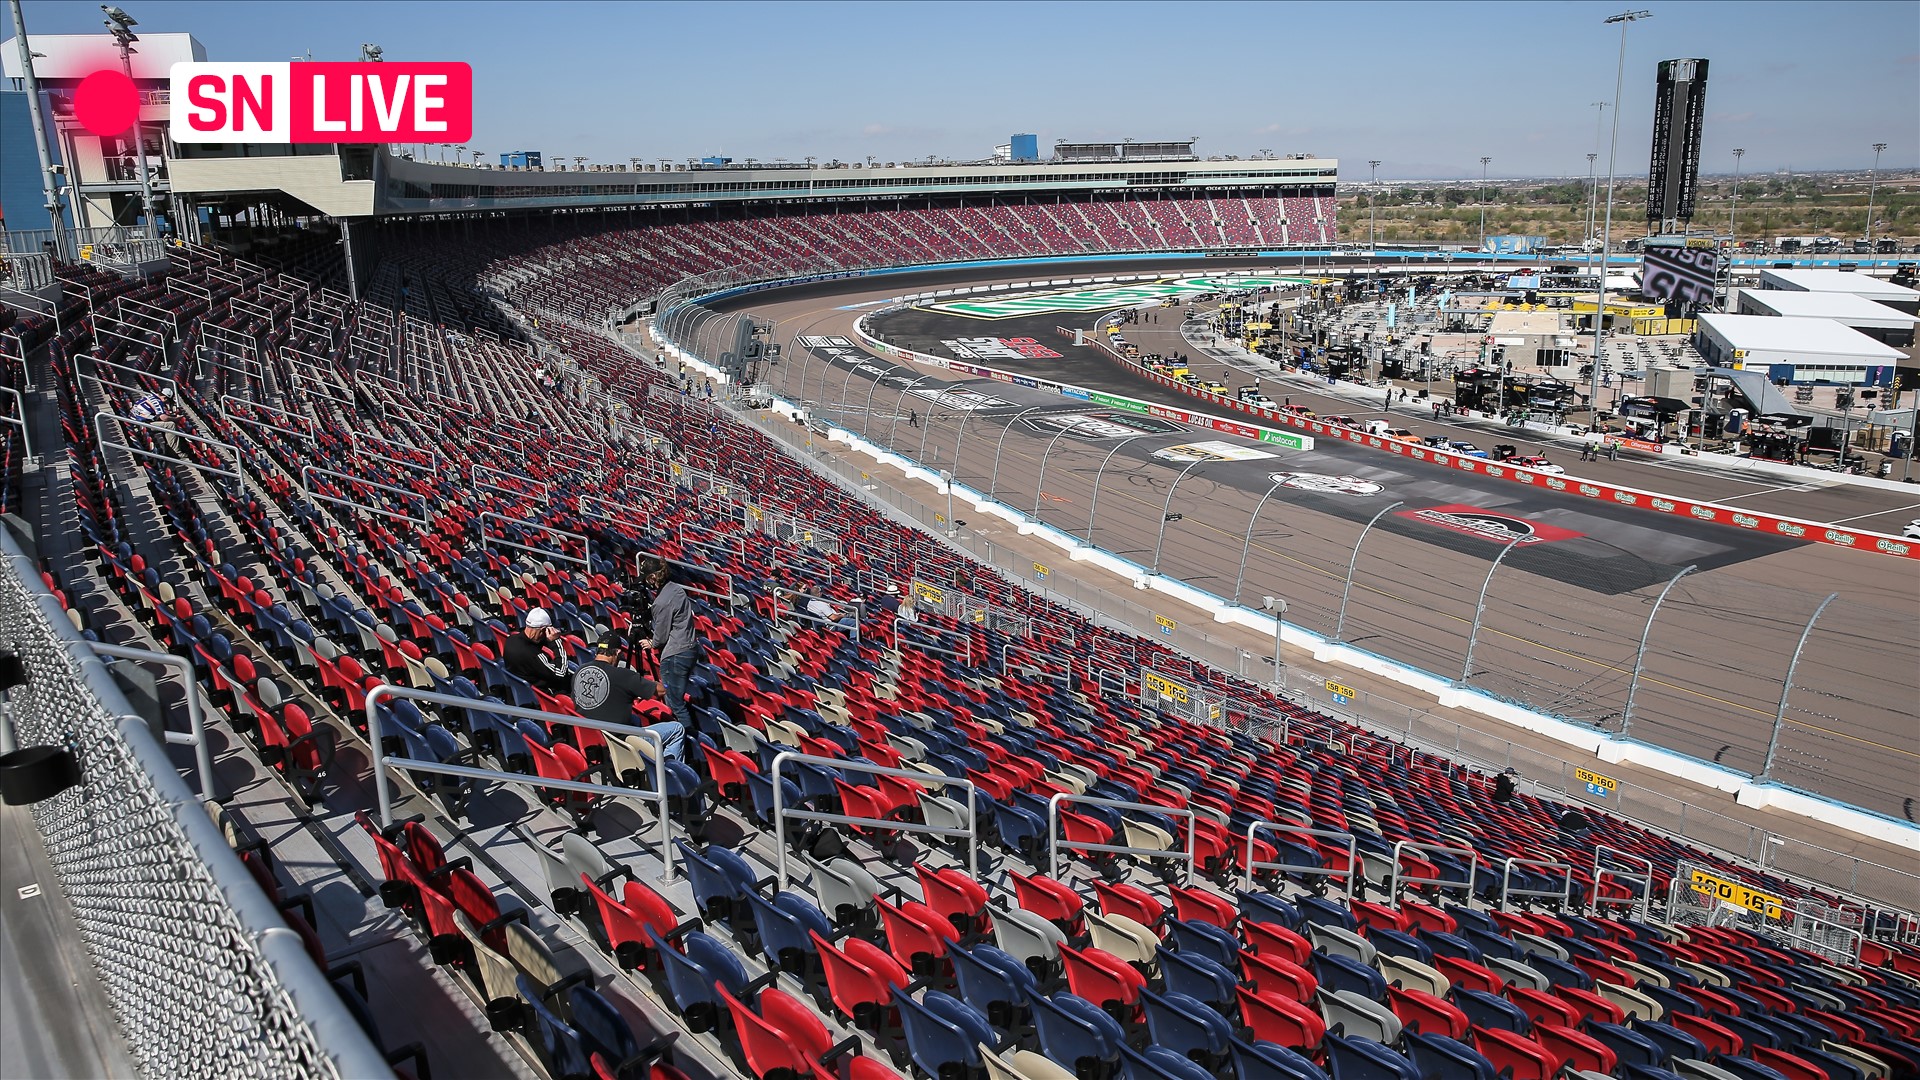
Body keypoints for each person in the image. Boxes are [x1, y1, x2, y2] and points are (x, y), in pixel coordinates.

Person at [572, 634, 685, 761]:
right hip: (619, 740)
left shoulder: (579, 671)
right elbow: (660, 691)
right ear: (618, 652)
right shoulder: (623, 675)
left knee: (635, 719)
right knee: (677, 729)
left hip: (591, 735)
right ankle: (669, 774)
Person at [639, 563, 700, 738]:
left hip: (675, 653)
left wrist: (651, 642)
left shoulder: (661, 602)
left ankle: (688, 739)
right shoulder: (677, 589)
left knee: (674, 701)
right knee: (677, 698)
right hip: (689, 648)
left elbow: (660, 638)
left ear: (652, 578)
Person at [504, 607, 570, 692]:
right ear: (543, 630)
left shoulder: (511, 639)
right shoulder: (534, 656)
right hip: (544, 694)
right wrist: (556, 642)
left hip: (522, 691)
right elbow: (560, 673)